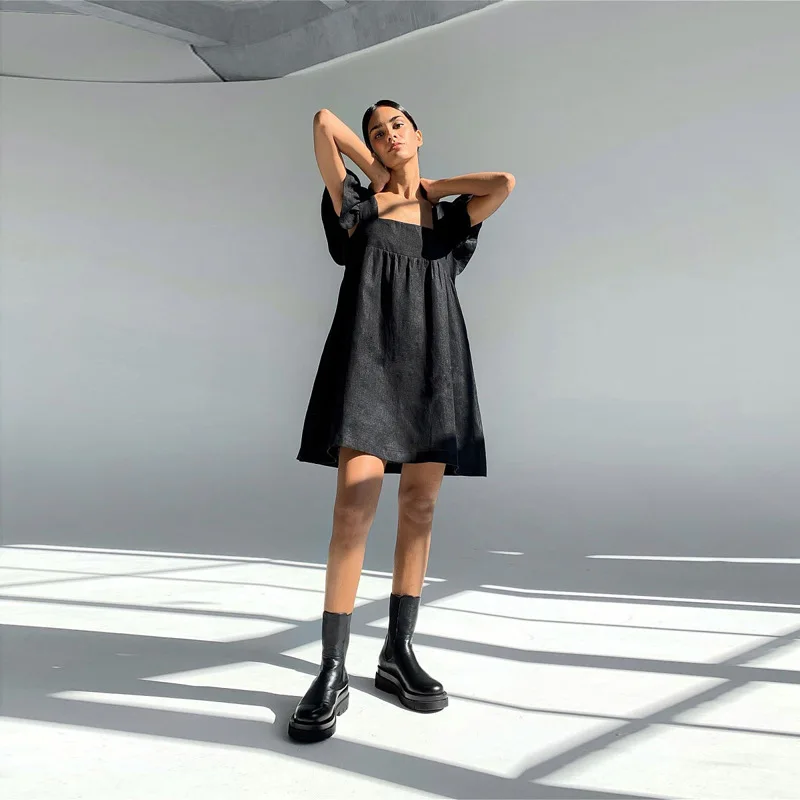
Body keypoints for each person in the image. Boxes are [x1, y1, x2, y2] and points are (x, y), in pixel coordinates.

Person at [289, 100, 515, 743]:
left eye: (396, 126)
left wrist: (429, 188)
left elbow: (503, 184)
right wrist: (381, 172)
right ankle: (332, 669)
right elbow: (324, 121)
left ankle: (397, 651)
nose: (387, 134)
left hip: (433, 368)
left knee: (419, 507)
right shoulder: (357, 207)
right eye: (376, 131)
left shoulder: (449, 217)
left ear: (418, 133)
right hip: (368, 364)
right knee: (352, 510)